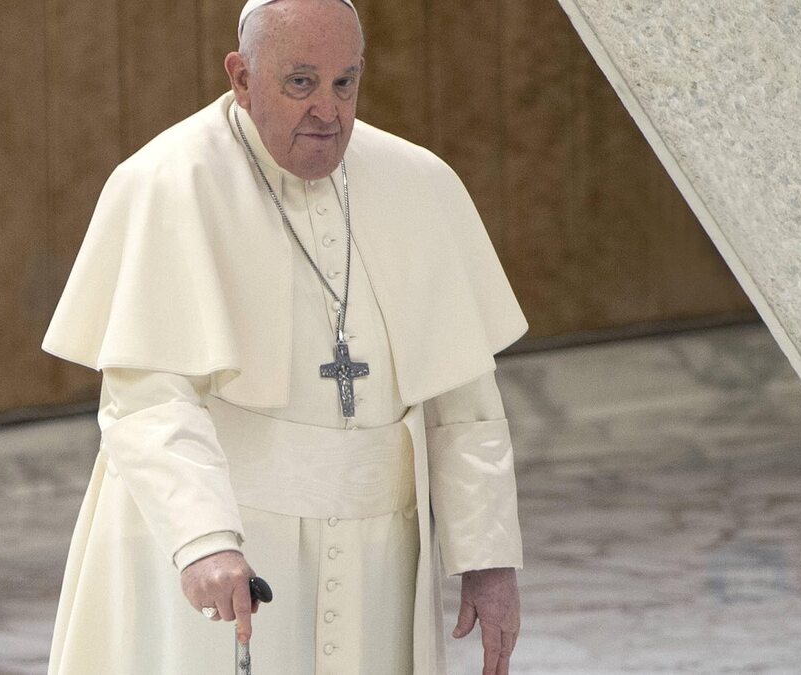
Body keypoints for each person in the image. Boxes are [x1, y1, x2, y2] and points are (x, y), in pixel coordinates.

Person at [40, 0, 528, 673]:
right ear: (241, 78)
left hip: (380, 561)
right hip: (236, 549)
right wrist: (204, 540)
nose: (329, 110)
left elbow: (464, 401)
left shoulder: (419, 183)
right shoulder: (168, 183)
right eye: (301, 83)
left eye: (345, 82)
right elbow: (147, 401)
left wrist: (488, 560)